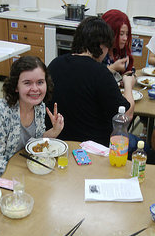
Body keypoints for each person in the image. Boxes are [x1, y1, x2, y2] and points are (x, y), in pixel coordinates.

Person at [47, 17, 136, 147]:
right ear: (101, 45)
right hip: (92, 149)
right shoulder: (100, 73)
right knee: (138, 144)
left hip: (56, 142)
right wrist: (128, 85)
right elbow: (125, 116)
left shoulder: (55, 64)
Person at [0, 56, 63, 179]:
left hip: (26, 170)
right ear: (16, 86)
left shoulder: (39, 107)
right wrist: (24, 181)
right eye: (27, 83)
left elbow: (36, 144)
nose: (35, 89)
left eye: (40, 82)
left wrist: (54, 132)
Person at [101, 9, 134, 75]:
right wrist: (113, 68)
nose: (125, 38)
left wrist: (127, 75)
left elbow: (131, 70)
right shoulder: (98, 52)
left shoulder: (121, 51)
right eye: (121, 34)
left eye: (127, 34)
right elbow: (93, 75)